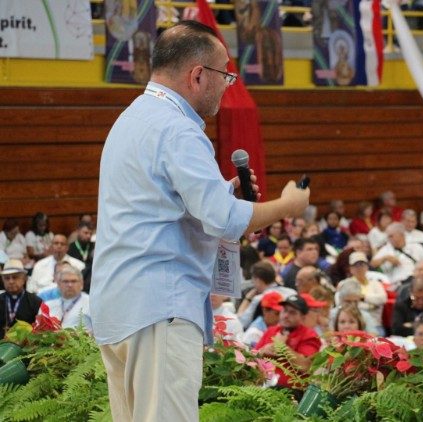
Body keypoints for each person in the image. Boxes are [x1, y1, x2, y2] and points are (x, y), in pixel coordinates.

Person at [91, 21, 309, 422]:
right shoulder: (178, 130)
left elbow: (163, 204)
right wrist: (287, 204)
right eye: (226, 75)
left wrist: (220, 190)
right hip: (160, 305)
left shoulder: (133, 119)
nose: (228, 85)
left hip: (121, 305)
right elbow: (226, 220)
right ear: (197, 75)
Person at [254, 295, 321, 389]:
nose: (286, 316)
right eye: (284, 310)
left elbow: (306, 366)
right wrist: (262, 351)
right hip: (260, 386)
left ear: (303, 317)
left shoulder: (310, 335)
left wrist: (282, 347)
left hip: (291, 392)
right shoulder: (271, 331)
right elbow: (252, 358)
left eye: (292, 313)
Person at [371, 222, 423, 289]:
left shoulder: (416, 247)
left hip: (418, 281)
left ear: (401, 235)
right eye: (388, 236)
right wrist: (385, 258)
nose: (388, 239)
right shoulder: (386, 249)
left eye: (391, 236)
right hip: (398, 284)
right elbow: (372, 264)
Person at [0, 259, 43, 339]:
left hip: (26, 347)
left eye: (15, 277)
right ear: (3, 280)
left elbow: (39, 330)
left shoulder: (35, 301)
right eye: (7, 278)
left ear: (24, 279)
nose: (11, 281)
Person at [45, 265, 92, 331]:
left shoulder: (91, 303)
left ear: (81, 284)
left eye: (74, 281)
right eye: (65, 281)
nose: (70, 285)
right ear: (58, 284)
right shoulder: (48, 306)